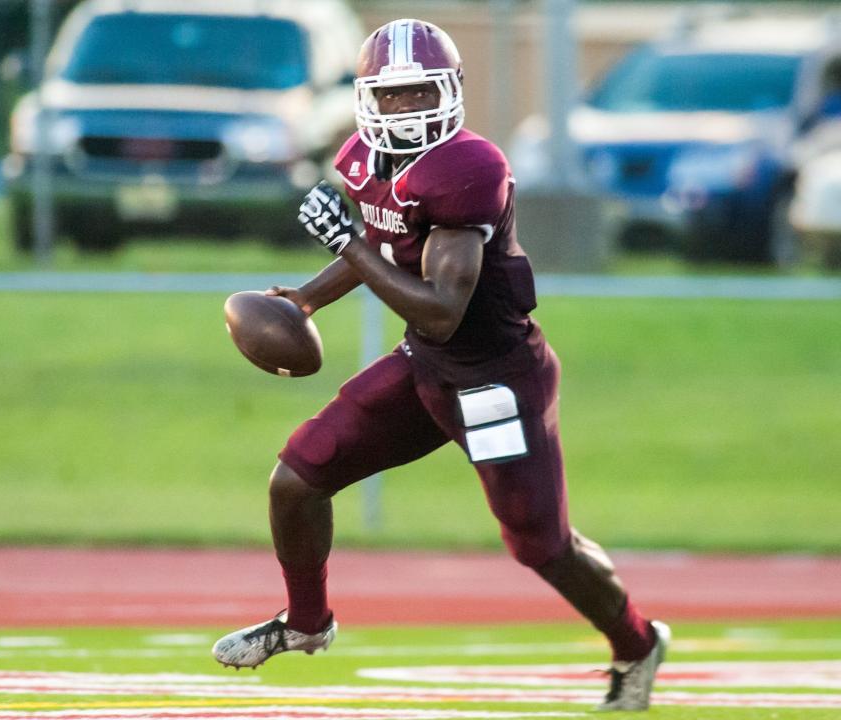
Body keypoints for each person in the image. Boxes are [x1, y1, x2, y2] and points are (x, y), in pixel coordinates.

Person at [212, 18, 670, 712]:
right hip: (427, 367)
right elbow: (385, 239)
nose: (407, 109)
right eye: (392, 97)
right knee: (297, 478)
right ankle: (307, 623)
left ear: (451, 93)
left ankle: (638, 644)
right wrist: (306, 299)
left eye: (421, 92)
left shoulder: (470, 170)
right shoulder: (366, 161)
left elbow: (440, 308)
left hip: (495, 380)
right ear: (366, 98)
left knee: (542, 547)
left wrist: (348, 247)